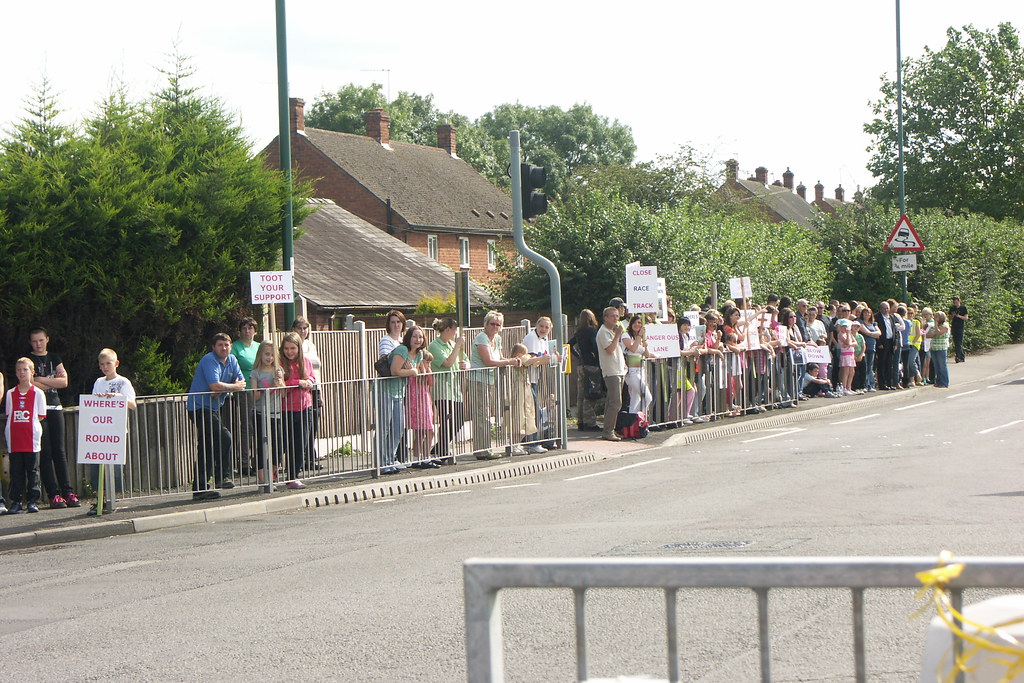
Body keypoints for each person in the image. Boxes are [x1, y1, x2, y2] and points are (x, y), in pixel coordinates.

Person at [186, 333, 246, 500]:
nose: (223, 348)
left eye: (226, 345)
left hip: (213, 407)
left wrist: (223, 388)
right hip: (199, 407)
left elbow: (241, 382)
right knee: (223, 438)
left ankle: (202, 487)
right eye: (220, 345)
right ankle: (220, 478)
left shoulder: (232, 360)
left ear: (231, 346)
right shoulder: (209, 360)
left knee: (209, 445)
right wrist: (228, 387)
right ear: (213, 347)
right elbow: (214, 385)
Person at [28, 328, 79, 509]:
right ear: (30, 342)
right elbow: (31, 383)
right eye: (35, 341)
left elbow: (63, 382)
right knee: (45, 453)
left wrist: (41, 379)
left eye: (41, 340)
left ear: (47, 339)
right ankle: (53, 494)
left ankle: (68, 492)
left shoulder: (54, 358)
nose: (38, 344)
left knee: (60, 451)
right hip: (39, 410)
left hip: (56, 407)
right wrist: (50, 381)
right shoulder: (29, 360)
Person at [469, 311, 522, 459]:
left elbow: (500, 357)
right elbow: (488, 361)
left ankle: (485, 448)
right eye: (492, 324)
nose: (495, 327)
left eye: (498, 324)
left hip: (490, 379)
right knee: (482, 415)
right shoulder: (481, 337)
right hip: (478, 379)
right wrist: (509, 362)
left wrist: (513, 361)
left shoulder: (497, 338)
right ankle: (482, 450)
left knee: (487, 414)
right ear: (486, 324)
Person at [91, 348, 137, 514]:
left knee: (115, 467)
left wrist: (118, 397)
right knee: (98, 466)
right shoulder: (98, 382)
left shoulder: (123, 382)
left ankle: (112, 499)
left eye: (108, 363)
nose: (105, 367)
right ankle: (99, 500)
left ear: (116, 363)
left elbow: (133, 405)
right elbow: (93, 402)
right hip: (100, 430)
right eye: (102, 364)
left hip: (116, 430)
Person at [2, 358, 46, 514]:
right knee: (16, 471)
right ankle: (16, 501)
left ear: (32, 372)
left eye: (25, 369)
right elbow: (9, 414)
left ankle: (33, 501)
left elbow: (40, 416)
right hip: (14, 438)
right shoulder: (10, 393)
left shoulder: (38, 393)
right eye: (19, 370)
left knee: (32, 471)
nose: (22, 373)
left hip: (31, 438)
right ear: (15, 373)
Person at [428, 318, 467, 465]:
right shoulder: (435, 345)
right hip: (442, 389)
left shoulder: (451, 344)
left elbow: (465, 359)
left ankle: (439, 447)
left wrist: (466, 365)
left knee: (459, 419)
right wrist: (457, 346)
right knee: (447, 419)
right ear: (448, 329)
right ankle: (443, 451)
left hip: (455, 388)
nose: (456, 333)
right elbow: (448, 363)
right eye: (455, 330)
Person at [279, 332, 314, 488]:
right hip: (286, 408)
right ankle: (277, 474)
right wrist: (298, 382)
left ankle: (293, 475)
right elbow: (281, 384)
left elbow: (312, 377)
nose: (289, 352)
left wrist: (309, 381)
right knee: (286, 443)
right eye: (286, 348)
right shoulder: (280, 363)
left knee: (301, 443)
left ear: (299, 348)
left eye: (292, 348)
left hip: (305, 406)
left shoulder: (305, 361)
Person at [400, 326, 438, 468]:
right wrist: (416, 370)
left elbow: (429, 381)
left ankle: (424, 457)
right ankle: (418, 458)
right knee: (422, 430)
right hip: (415, 396)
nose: (418, 340)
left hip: (424, 396)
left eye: (420, 337)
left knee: (428, 430)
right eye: (415, 336)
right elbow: (417, 377)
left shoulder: (421, 356)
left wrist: (426, 370)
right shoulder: (408, 356)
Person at [376, 310, 409, 471]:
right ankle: (380, 462)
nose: (396, 325)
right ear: (388, 325)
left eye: (398, 322)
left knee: (398, 426)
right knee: (384, 427)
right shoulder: (386, 340)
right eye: (393, 322)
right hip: (386, 388)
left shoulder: (402, 342)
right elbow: (386, 361)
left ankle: (390, 457)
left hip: (399, 389)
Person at [249, 341, 285, 484]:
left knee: (278, 445)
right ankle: (262, 477)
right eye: (266, 354)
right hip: (261, 413)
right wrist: (270, 388)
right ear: (260, 355)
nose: (269, 358)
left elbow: (283, 393)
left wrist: (280, 382)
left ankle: (273, 473)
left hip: (276, 413)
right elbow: (254, 396)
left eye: (272, 355)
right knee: (262, 445)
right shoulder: (255, 373)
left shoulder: (279, 370)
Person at [292, 317, 322, 471]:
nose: (303, 331)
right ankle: (302, 459)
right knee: (302, 427)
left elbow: (317, 368)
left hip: (315, 386)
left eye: (305, 328)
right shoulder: (294, 347)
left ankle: (310, 457)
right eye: (299, 328)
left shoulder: (310, 345)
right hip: (301, 389)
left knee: (313, 425)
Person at [230, 317, 260, 473]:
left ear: (255, 331)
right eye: (244, 328)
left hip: (261, 390)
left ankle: (259, 460)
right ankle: (244, 462)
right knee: (247, 426)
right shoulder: (235, 347)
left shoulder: (259, 347)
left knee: (259, 426)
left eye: (250, 328)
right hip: (245, 391)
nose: (247, 331)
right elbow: (231, 366)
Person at [568, 309, 602, 432]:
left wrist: (578, 356)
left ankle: (581, 422)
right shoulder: (592, 331)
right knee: (591, 393)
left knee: (581, 395)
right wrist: (598, 360)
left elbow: (569, 345)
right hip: (591, 365)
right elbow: (595, 347)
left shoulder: (579, 332)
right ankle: (590, 422)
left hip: (581, 365)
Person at [596, 306, 627, 442]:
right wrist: (618, 335)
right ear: (605, 318)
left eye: (617, 316)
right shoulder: (603, 332)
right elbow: (610, 349)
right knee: (615, 402)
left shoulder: (611, 332)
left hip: (618, 370)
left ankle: (609, 429)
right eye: (613, 316)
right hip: (611, 371)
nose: (616, 318)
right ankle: (608, 431)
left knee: (612, 402)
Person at [622, 314, 654, 415]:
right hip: (632, 372)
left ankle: (633, 419)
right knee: (647, 397)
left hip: (641, 371)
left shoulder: (640, 338)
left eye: (639, 323)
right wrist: (639, 336)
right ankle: (640, 418)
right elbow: (632, 348)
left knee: (635, 399)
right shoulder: (626, 335)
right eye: (635, 322)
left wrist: (645, 345)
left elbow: (647, 354)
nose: (637, 324)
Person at [927, 311, 951, 389]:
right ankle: (938, 381)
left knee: (942, 365)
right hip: (934, 347)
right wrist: (934, 332)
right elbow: (927, 335)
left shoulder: (945, 325)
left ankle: (944, 382)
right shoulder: (933, 326)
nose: (935, 318)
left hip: (941, 348)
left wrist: (936, 327)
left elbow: (939, 332)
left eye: (937, 317)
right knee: (936, 366)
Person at [948, 296, 969, 363]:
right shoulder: (952, 308)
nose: (955, 304)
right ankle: (962, 356)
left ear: (959, 301)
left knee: (959, 342)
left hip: (960, 327)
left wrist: (958, 316)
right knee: (956, 342)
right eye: (954, 302)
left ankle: (958, 357)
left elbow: (966, 318)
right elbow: (949, 318)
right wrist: (953, 315)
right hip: (954, 326)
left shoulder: (963, 308)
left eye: (956, 302)